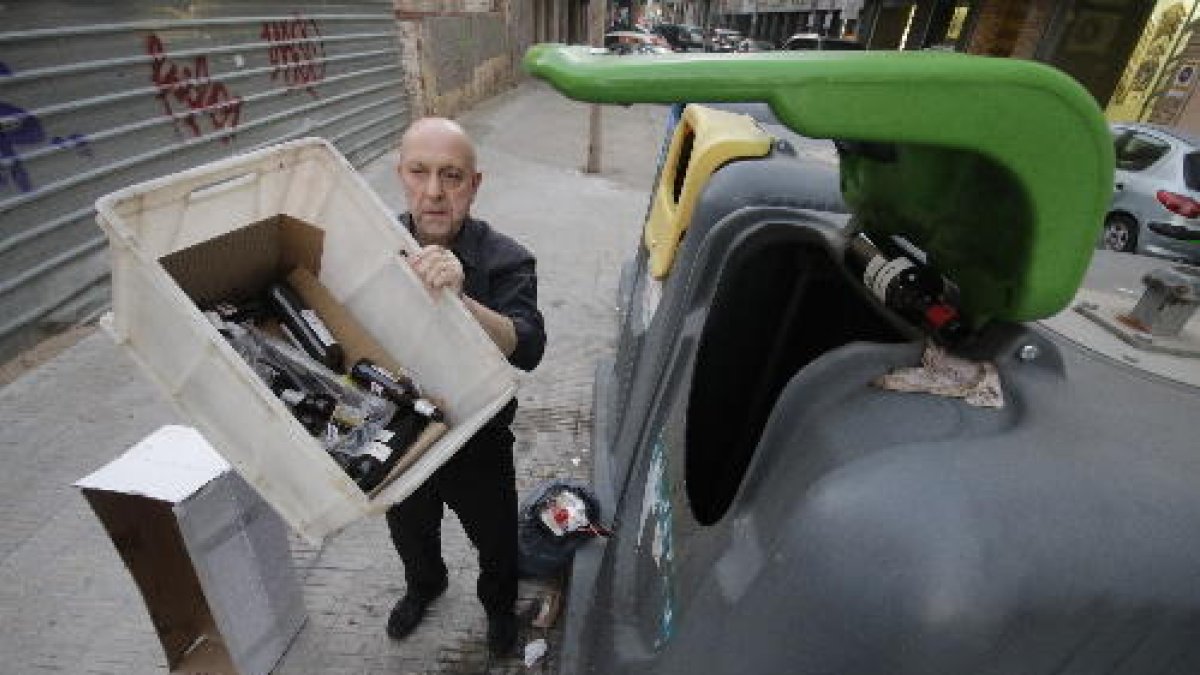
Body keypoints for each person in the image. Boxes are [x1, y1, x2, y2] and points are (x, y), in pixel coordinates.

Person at [385, 116, 546, 657]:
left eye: (452, 176)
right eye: (419, 172)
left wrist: (462, 299)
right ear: (400, 174)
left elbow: (528, 346)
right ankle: (425, 585)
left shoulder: (506, 259)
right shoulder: (374, 243)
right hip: (402, 434)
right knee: (409, 530)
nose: (433, 193)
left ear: (474, 184)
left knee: (497, 541)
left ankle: (499, 608)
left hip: (478, 438)